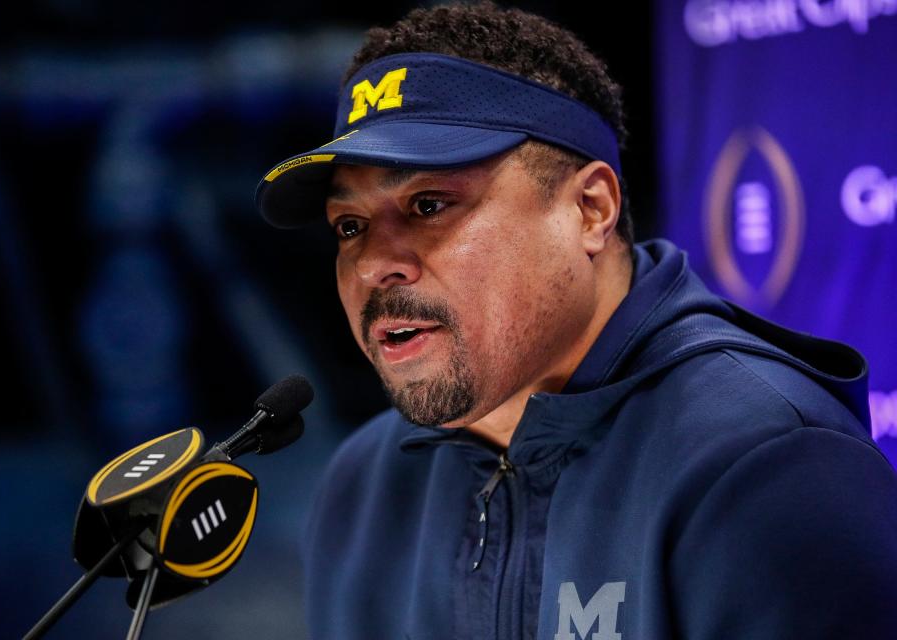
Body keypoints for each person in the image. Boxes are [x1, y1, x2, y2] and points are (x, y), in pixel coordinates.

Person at [254, 3, 897, 638]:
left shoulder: (768, 469)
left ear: (590, 210)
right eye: (350, 226)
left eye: (428, 204)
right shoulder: (363, 487)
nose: (373, 265)